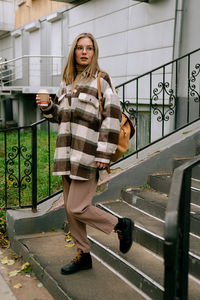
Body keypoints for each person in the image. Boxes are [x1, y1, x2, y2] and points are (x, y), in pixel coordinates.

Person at [36, 33, 134, 275]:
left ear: (94, 53)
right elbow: (60, 116)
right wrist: (48, 107)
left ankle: (120, 225)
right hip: (67, 156)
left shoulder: (101, 80)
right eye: (80, 48)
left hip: (88, 156)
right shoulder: (67, 82)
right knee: (71, 209)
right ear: (74, 52)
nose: (84, 52)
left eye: (89, 48)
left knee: (78, 207)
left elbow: (112, 118)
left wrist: (103, 153)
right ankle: (84, 255)